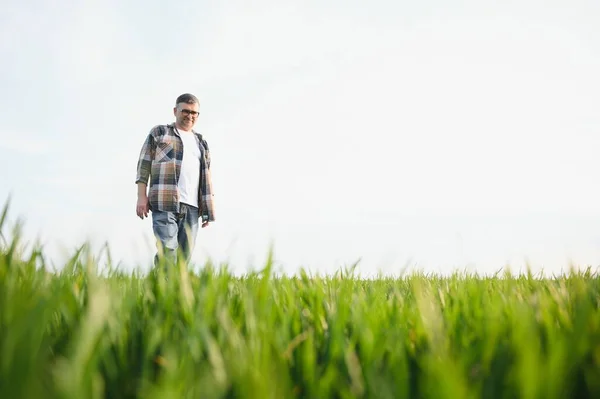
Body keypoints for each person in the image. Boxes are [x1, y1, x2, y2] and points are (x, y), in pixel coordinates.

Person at [135, 93, 215, 266]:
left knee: (184, 258)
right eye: (185, 111)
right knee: (168, 249)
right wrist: (141, 196)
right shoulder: (160, 132)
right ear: (175, 111)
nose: (190, 116)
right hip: (164, 202)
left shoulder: (201, 143)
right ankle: (161, 288)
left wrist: (209, 208)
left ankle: (174, 291)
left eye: (194, 113)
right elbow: (144, 165)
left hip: (192, 207)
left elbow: (206, 177)